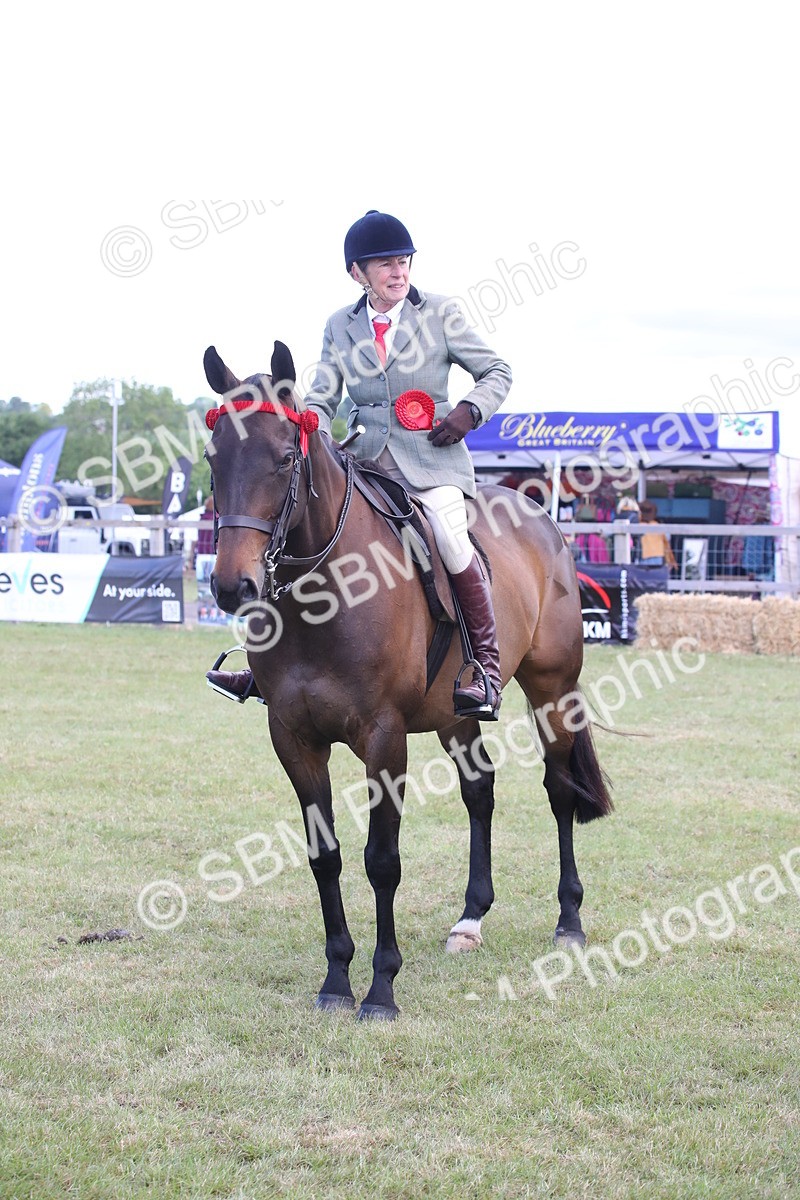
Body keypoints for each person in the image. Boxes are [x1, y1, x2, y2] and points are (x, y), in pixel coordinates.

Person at [207, 209, 512, 719]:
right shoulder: (340, 325)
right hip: (364, 463)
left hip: (431, 465)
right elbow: (323, 395)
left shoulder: (441, 313)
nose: (398, 271)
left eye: (403, 261)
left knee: (451, 540)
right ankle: (265, 666)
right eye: (386, 264)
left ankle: (484, 666)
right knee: (295, 539)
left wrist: (468, 412)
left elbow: (497, 370)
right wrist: (314, 434)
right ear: (358, 273)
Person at [638, 500, 677, 568]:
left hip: (642, 556)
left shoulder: (637, 526)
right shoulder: (659, 526)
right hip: (658, 556)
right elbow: (666, 543)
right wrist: (669, 560)